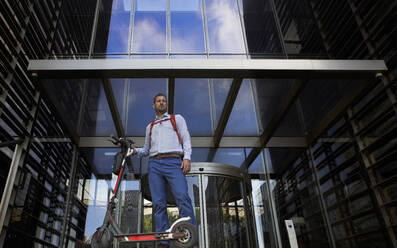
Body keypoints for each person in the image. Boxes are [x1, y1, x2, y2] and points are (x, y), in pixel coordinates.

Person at [132, 93, 197, 248]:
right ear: (154, 105)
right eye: (158, 101)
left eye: (164, 101)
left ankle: (191, 237)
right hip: (154, 164)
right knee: (159, 204)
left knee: (182, 197)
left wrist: (186, 157)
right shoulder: (150, 127)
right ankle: (163, 241)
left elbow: (186, 138)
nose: (161, 103)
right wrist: (136, 151)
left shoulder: (177, 119)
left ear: (166, 105)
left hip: (174, 162)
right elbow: (147, 149)